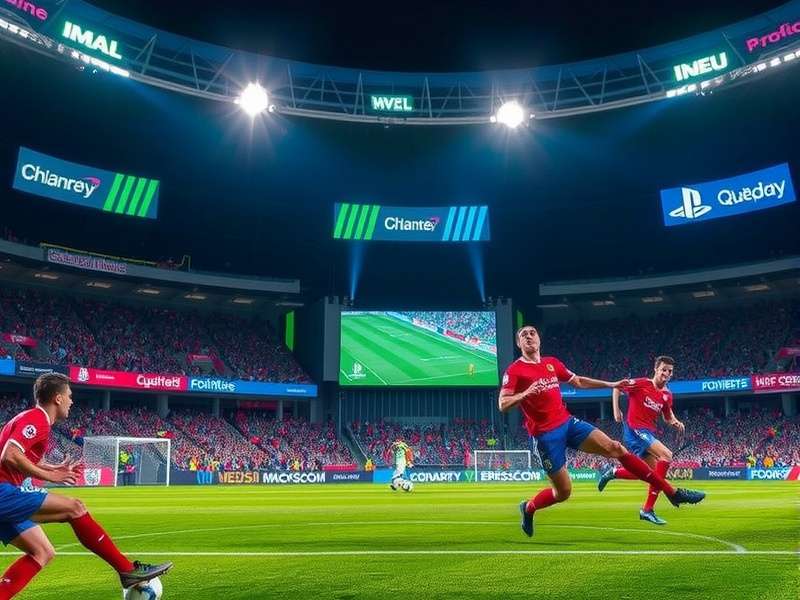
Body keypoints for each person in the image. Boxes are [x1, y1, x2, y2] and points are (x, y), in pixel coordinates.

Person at [499, 326, 705, 538]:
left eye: (532, 333)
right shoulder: (515, 371)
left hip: (568, 423)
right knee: (563, 492)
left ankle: (672, 493)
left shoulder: (552, 363)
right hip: (545, 436)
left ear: (539, 339)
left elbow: (578, 381)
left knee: (616, 448)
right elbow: (503, 404)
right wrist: (525, 394)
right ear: (519, 344)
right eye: (523, 335)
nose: (529, 336)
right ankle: (529, 508)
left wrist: (611, 384)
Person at [0, 373, 172, 598]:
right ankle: (127, 570)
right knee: (75, 508)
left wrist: (53, 467)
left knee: (42, 551)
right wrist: (50, 476)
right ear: (58, 398)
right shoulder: (37, 419)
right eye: (69, 396)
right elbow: (9, 455)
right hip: (4, 493)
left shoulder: (29, 418)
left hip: (7, 493)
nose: (72, 401)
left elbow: (21, 455)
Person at [597, 356, 685, 525]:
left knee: (650, 474)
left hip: (647, 432)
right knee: (667, 454)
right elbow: (617, 387)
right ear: (656, 369)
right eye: (664, 369)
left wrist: (675, 422)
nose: (666, 373)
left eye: (670, 371)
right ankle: (648, 509)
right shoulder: (642, 383)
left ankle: (613, 473)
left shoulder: (667, 395)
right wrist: (616, 411)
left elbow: (667, 416)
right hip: (634, 430)